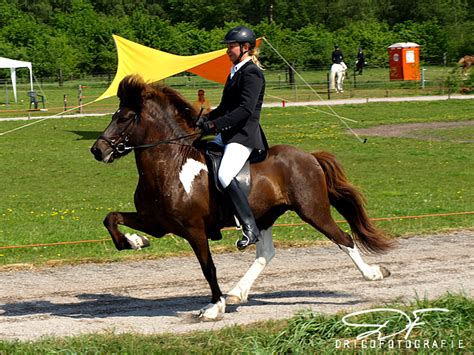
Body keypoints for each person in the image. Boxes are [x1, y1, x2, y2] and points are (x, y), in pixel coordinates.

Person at [197, 25, 268, 250]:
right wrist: (203, 119)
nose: (227, 50)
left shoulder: (252, 73)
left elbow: (245, 110)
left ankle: (250, 228)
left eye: (231, 46)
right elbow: (226, 107)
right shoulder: (235, 71)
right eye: (228, 47)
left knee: (225, 175)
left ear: (245, 47)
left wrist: (214, 125)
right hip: (228, 134)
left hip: (244, 136)